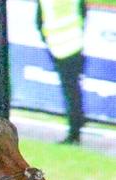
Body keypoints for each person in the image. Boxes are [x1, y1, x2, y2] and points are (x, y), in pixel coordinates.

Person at [36, 0, 87, 144]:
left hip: (57, 46)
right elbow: (83, 12)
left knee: (69, 91)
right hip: (75, 43)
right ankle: (77, 123)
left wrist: (48, 42)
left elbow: (39, 22)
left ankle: (74, 130)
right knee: (74, 90)